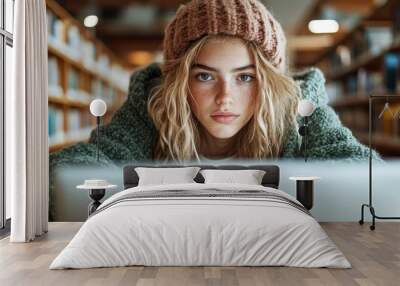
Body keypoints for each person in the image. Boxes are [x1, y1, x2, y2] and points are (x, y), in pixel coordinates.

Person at [49, 0, 378, 219]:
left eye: (245, 77)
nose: (225, 97)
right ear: (178, 83)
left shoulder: (300, 112)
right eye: (205, 76)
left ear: (271, 84)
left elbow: (365, 177)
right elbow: (67, 171)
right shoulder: (150, 110)